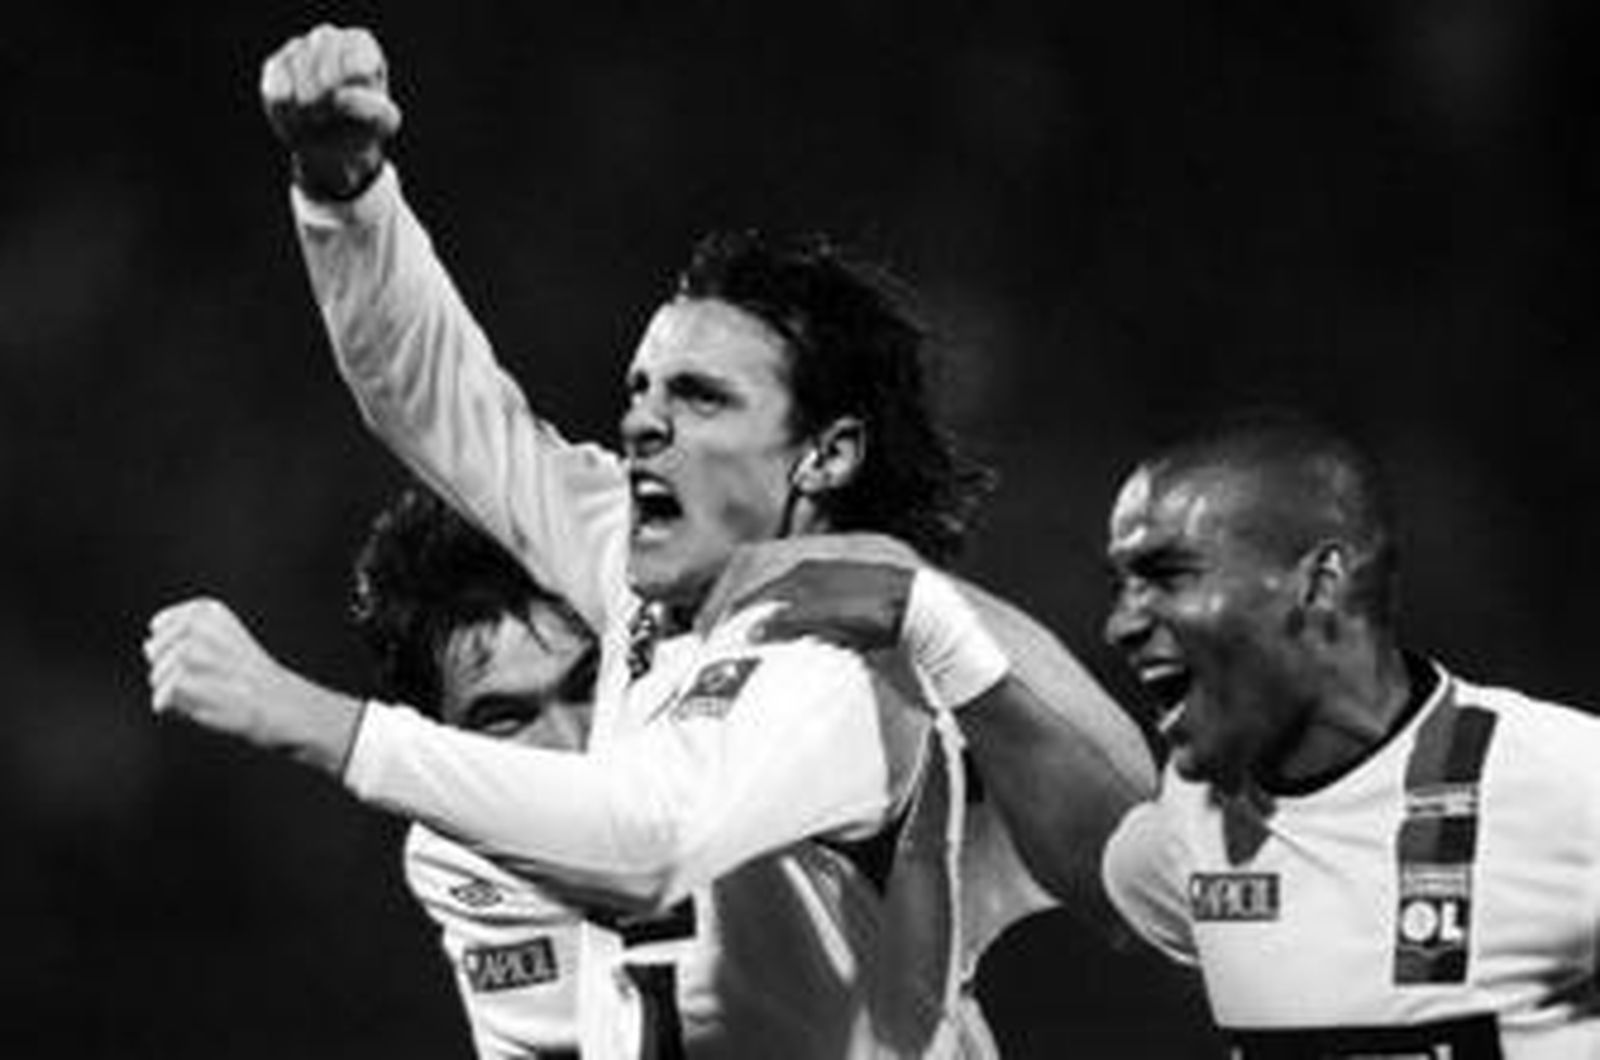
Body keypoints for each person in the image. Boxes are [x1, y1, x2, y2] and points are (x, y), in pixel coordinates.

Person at [145, 22, 1155, 1058]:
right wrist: (345, 189)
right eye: (641, 389)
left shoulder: (845, 668)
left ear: (825, 454)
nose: (641, 422)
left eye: (700, 396)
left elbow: (651, 842)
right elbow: (437, 403)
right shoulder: (638, 569)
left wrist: (306, 716)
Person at [1099, 410, 1600, 1057]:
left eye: (1168, 575)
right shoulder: (1183, 830)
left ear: (1320, 581)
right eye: (1122, 586)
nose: (1121, 625)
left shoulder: (1567, 781)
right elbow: (1095, 866)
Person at [351, 486, 597, 1059]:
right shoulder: (456, 855)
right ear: (438, 744)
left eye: (589, 687)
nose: (572, 744)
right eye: (506, 719)